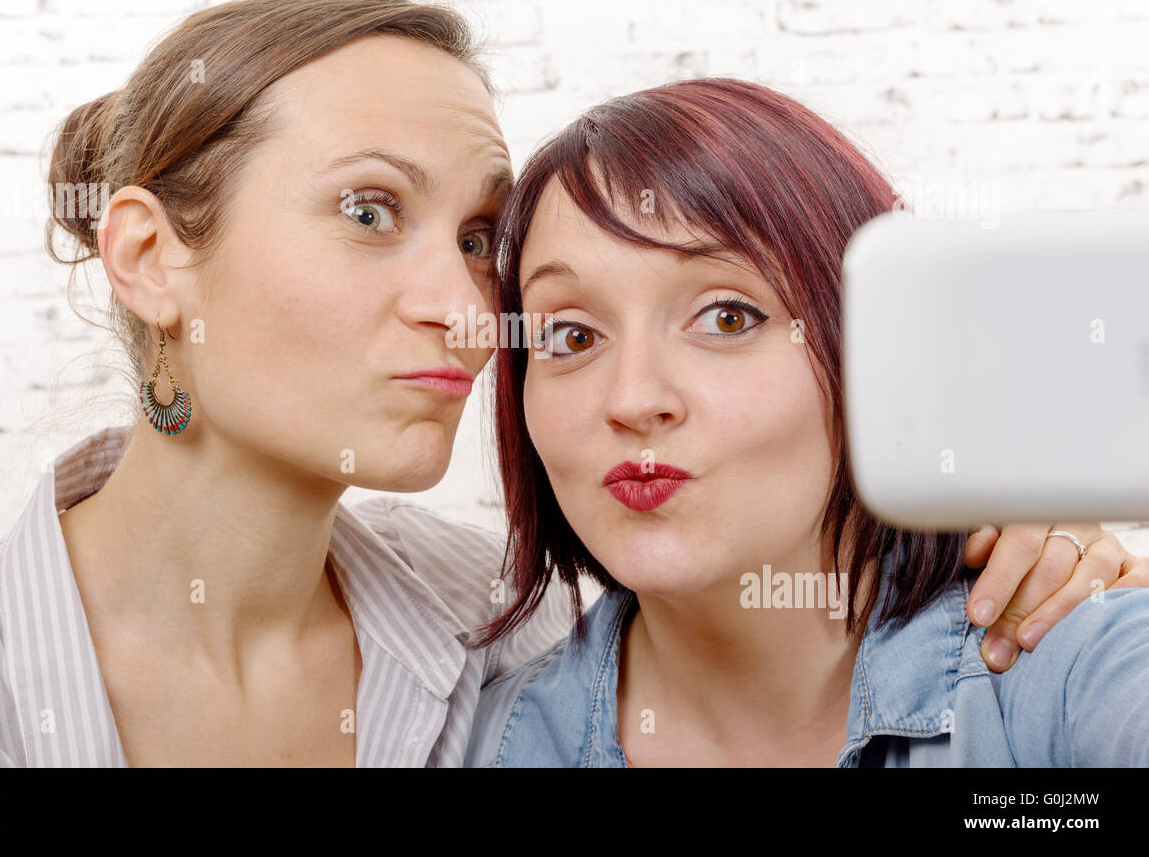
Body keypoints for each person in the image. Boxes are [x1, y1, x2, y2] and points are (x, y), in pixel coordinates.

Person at [0, 0, 1133, 768]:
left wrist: (1030, 542)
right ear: (148, 256)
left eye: (477, 239)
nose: (470, 313)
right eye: (368, 212)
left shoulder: (495, 625)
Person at [463, 77, 1149, 767]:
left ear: (871, 350)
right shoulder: (480, 746)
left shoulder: (1076, 670)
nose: (634, 398)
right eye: (573, 336)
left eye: (727, 317)